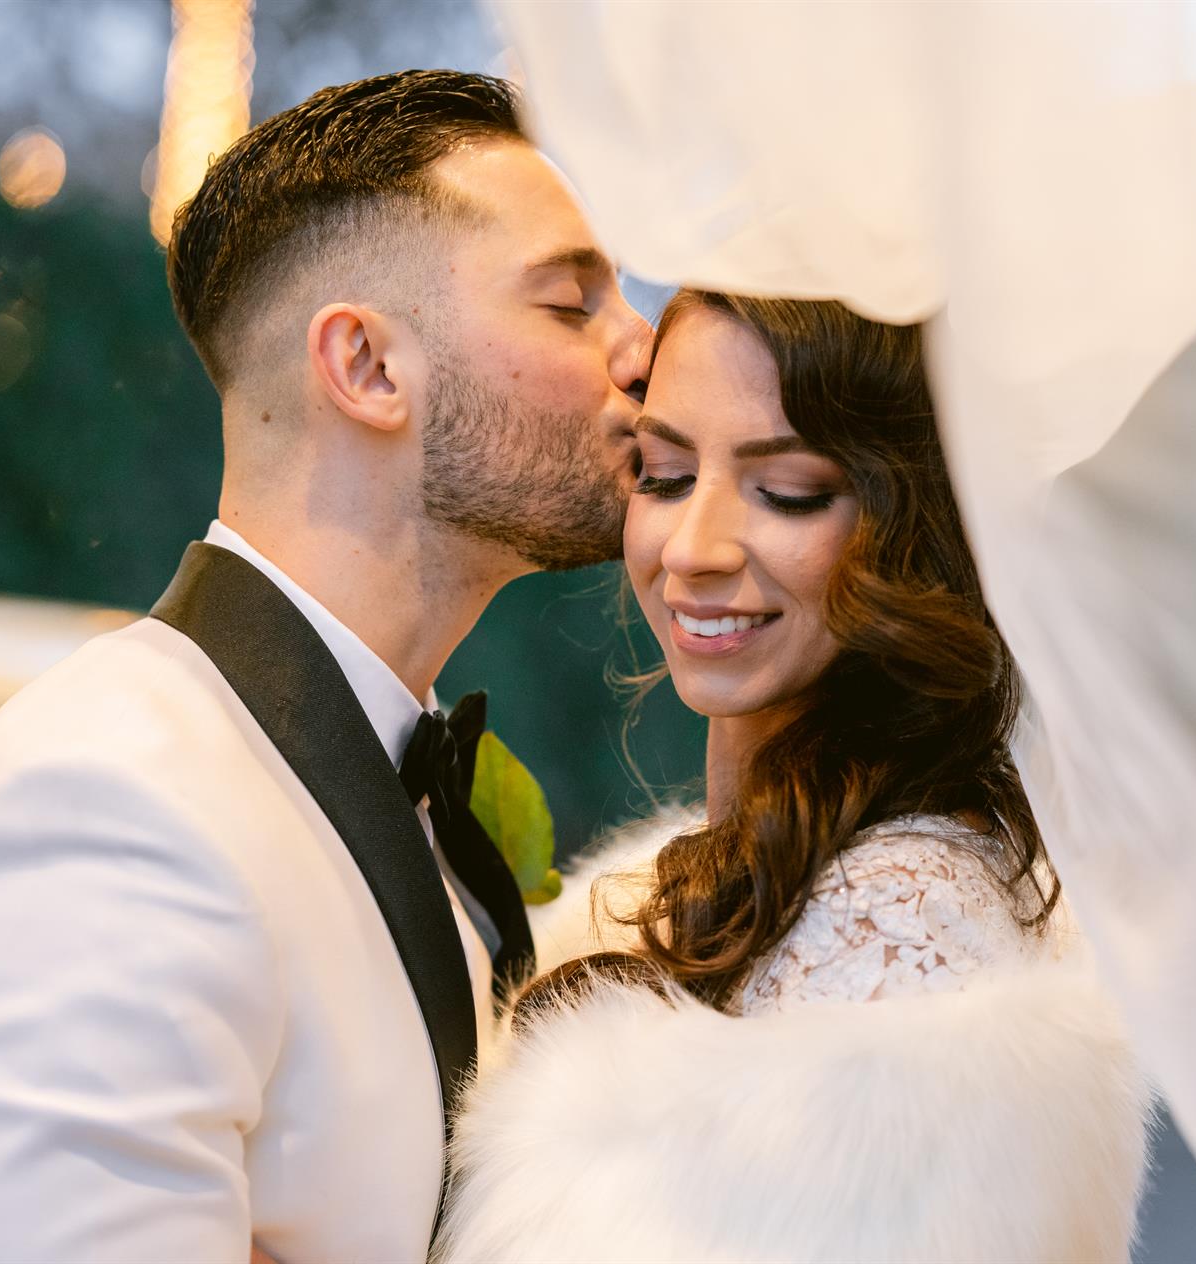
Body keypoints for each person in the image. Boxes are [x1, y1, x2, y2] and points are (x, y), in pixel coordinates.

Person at [0, 70, 651, 1263]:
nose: (645, 351)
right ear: (366, 366)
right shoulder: (96, 820)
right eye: (572, 303)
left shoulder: (361, 791)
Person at [437, 292, 1149, 1262]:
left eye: (790, 491)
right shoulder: (734, 870)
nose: (692, 549)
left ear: (919, 527)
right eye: (665, 474)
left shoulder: (895, 932)